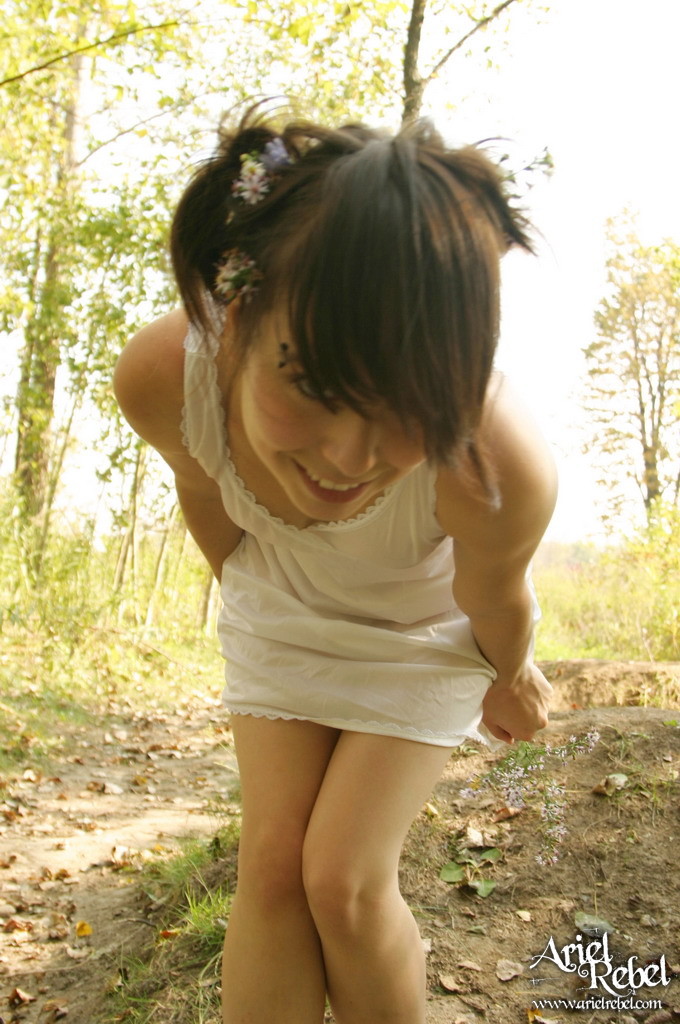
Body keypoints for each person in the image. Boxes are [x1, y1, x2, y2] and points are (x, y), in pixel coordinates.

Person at [114, 107, 557, 1024]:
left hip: (425, 631)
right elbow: (207, 497)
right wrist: (254, 609)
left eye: (406, 405)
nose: (350, 457)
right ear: (238, 312)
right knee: (275, 867)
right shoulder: (163, 377)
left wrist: (510, 677)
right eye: (311, 383)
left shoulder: (497, 467)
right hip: (279, 601)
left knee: (344, 881)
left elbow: (494, 596)